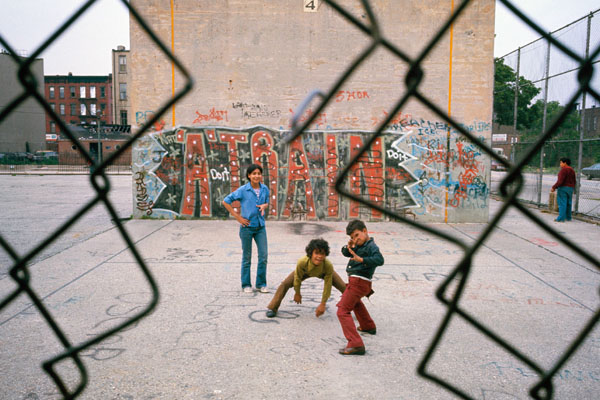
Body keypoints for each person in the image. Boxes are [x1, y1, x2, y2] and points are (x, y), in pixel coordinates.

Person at [265, 238, 346, 318]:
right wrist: (297, 293)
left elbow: (327, 285)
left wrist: (323, 303)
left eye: (322, 254)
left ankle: (358, 310)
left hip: (323, 272)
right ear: (311, 254)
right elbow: (297, 278)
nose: (319, 256)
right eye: (316, 253)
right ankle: (272, 308)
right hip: (305, 272)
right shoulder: (302, 262)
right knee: (285, 284)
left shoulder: (328, 265)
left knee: (344, 287)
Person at [337, 220, 384, 356]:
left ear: (365, 231)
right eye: (352, 237)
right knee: (355, 302)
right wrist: (349, 247)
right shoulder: (358, 245)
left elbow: (380, 260)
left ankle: (356, 344)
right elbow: (346, 253)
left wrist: (362, 260)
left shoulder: (371, 246)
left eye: (357, 235)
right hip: (358, 283)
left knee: (342, 310)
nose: (355, 239)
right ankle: (368, 326)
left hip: (359, 282)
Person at [222, 164, 270, 293]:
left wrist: (264, 206)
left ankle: (261, 284)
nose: (256, 176)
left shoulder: (264, 189)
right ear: (249, 175)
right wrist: (238, 217)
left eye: (258, 173)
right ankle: (246, 284)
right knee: (247, 257)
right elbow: (226, 201)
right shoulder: (243, 190)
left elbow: (266, 202)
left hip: (260, 227)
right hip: (247, 228)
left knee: (263, 256)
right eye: (253, 173)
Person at [551, 157, 576, 222]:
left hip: (563, 188)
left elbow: (560, 181)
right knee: (568, 203)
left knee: (562, 203)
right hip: (570, 188)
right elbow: (574, 180)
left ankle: (561, 218)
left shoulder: (563, 170)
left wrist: (554, 187)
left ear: (565, 163)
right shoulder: (572, 170)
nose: (560, 164)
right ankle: (568, 217)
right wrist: (573, 188)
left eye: (561, 162)